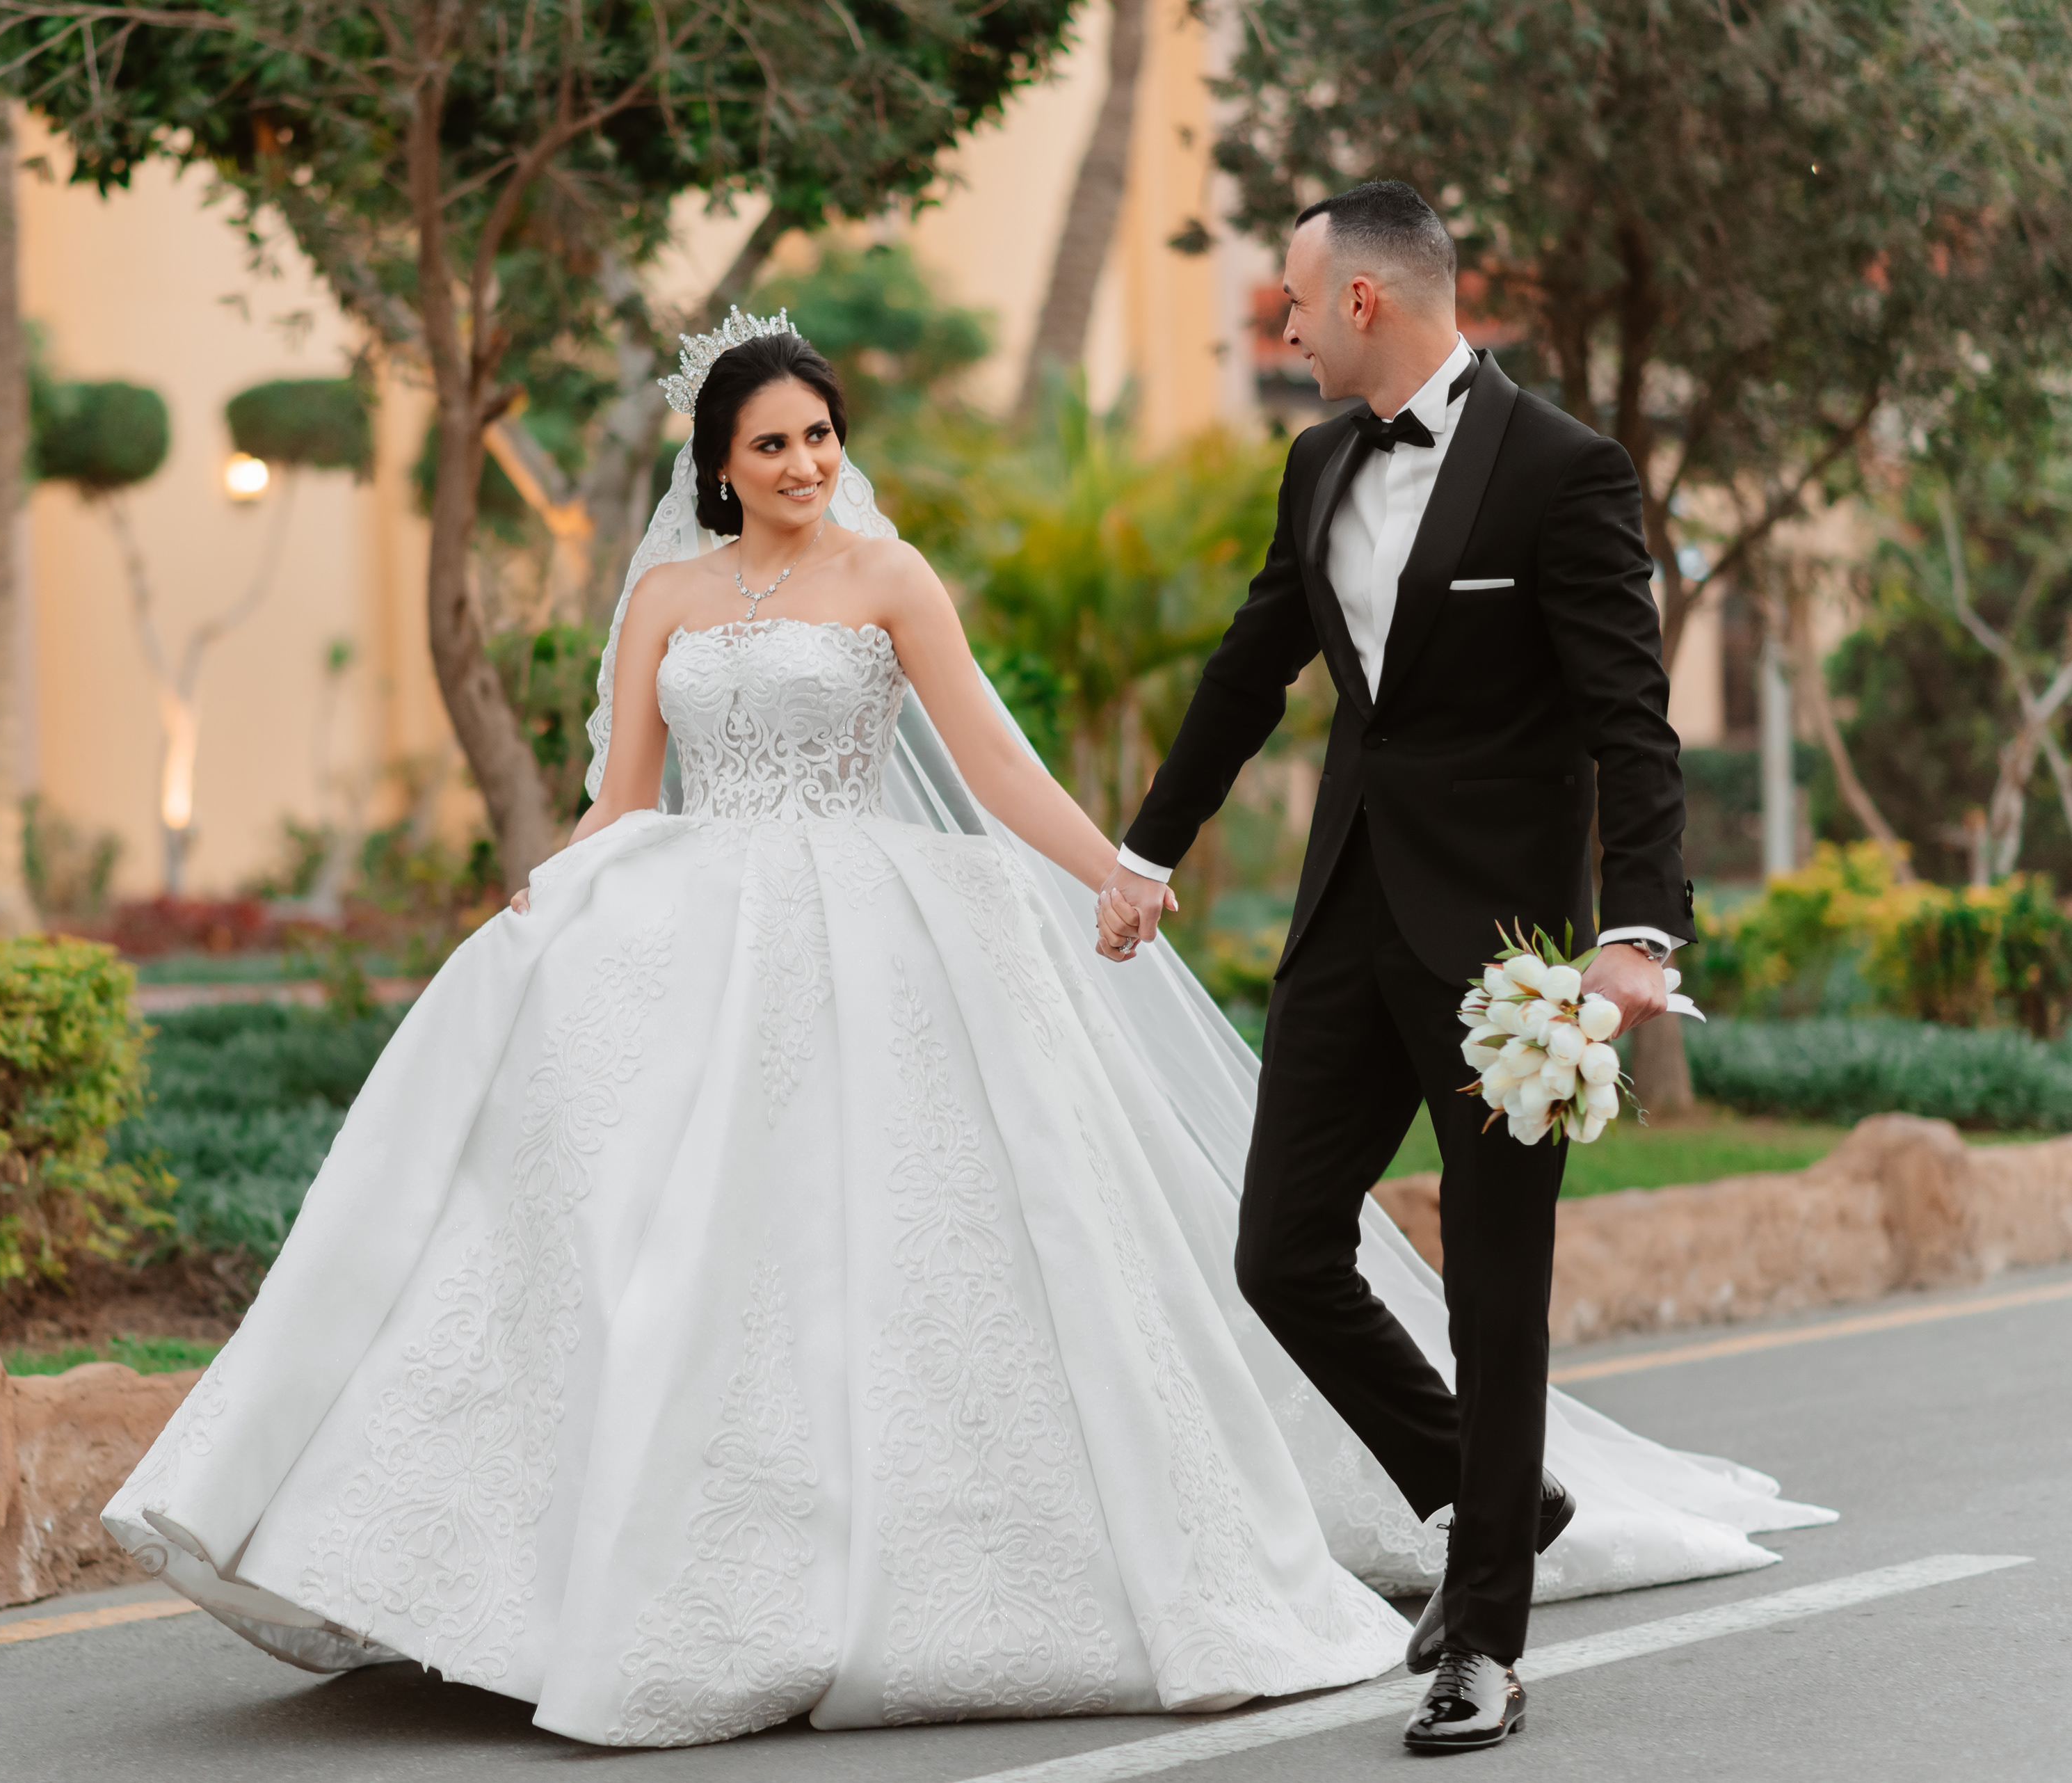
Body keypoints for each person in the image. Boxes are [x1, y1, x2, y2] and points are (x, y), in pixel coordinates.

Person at [104, 306, 1829, 1750]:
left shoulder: (888, 575)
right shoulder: (662, 605)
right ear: (716, 463)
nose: (803, 464)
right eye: (771, 444)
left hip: (872, 927)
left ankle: (946, 1553)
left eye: (820, 435)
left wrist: (1121, 868)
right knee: (611, 1241)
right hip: (687, 929)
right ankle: (538, 1565)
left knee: (894, 1252)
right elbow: (626, 797)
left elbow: (991, 761)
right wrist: (548, 898)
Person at [1098, 180, 1708, 1753]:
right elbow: (1254, 668)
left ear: (1363, 302)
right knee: (1284, 1248)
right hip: (1347, 920)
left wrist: (1635, 935)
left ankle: (1485, 1640)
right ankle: (1488, 1483)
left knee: (1497, 1295)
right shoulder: (1316, 465)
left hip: (1510, 959)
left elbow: (1632, 721)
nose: (1283, 328)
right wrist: (1147, 851)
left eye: (1294, 304)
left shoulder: (1566, 472)